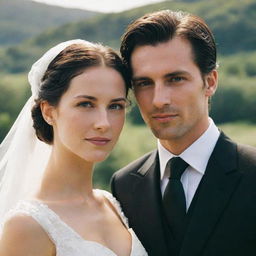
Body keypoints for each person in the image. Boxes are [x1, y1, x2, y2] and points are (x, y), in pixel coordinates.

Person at [111, 10, 256, 256]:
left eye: (175, 79)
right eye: (144, 83)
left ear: (209, 82)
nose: (159, 100)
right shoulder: (124, 185)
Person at [0, 39, 148, 256]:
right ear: (48, 112)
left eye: (115, 106)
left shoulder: (112, 204)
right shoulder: (27, 226)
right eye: (86, 104)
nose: (104, 123)